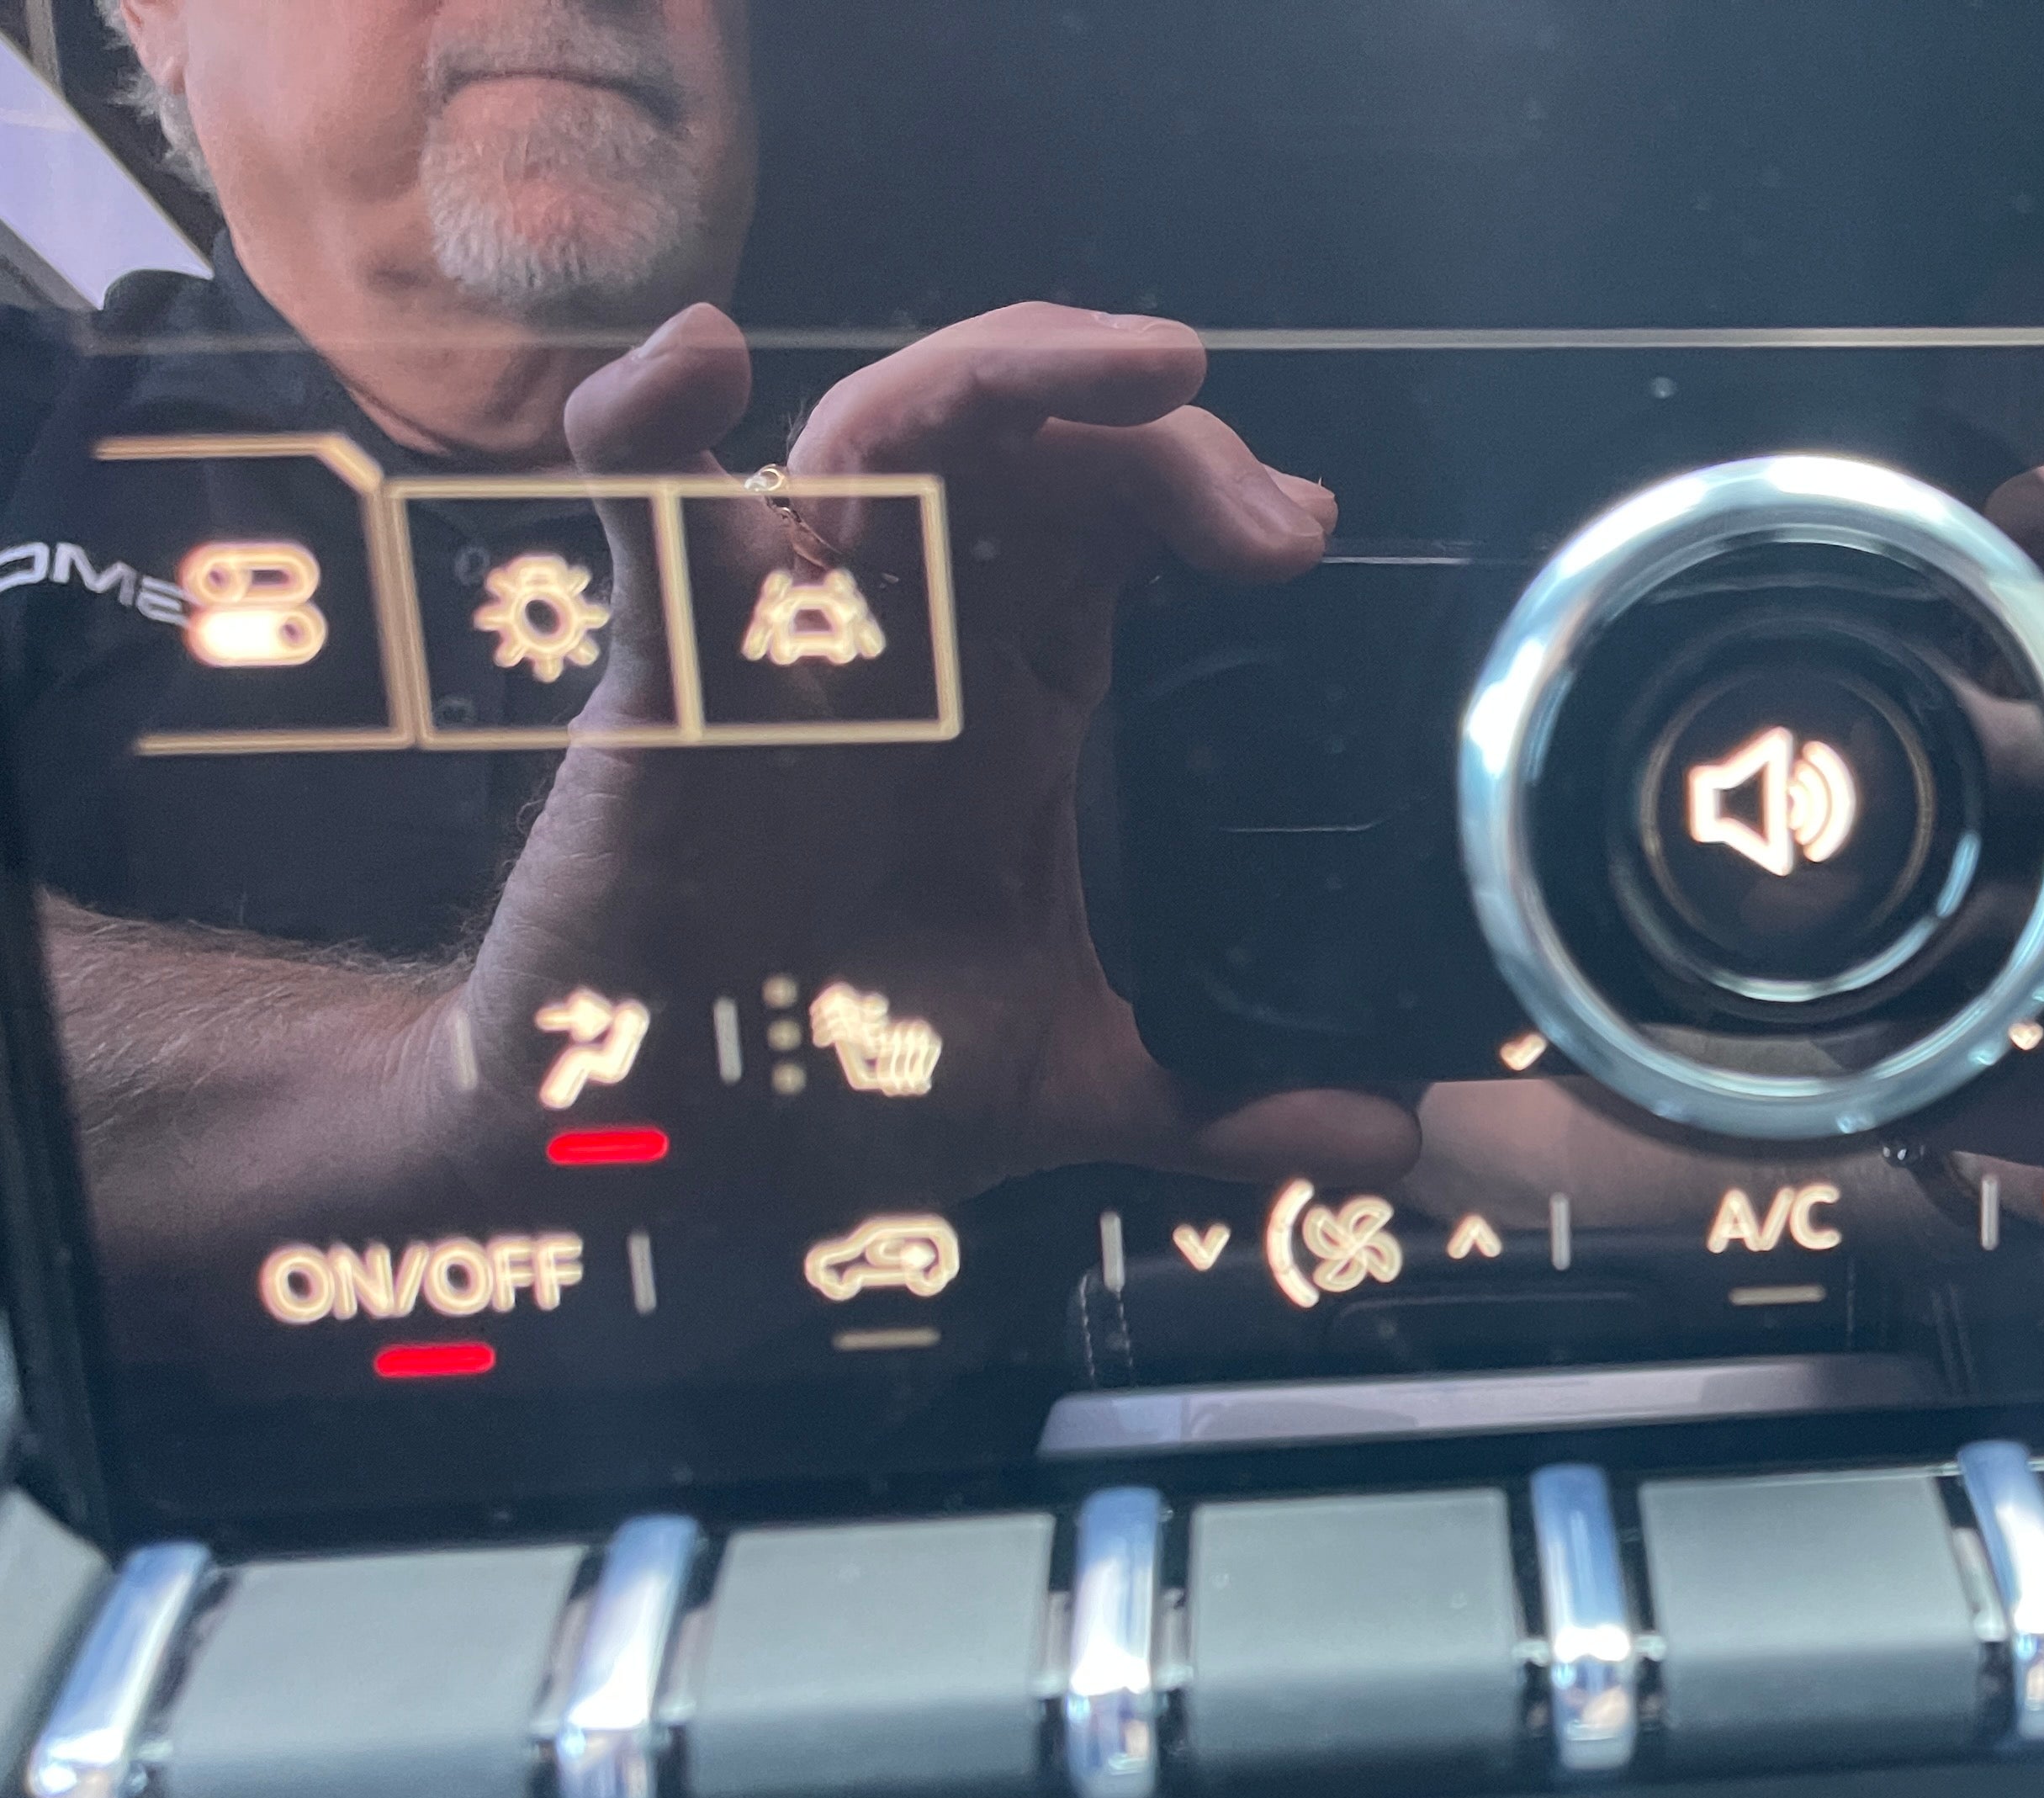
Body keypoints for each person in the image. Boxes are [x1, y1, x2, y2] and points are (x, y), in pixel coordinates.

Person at [1, 0, 1416, 1306]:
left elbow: (1448, 1105)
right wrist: (459, 1084)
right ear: (152, 14)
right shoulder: (23, 430)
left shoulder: (1045, 518)